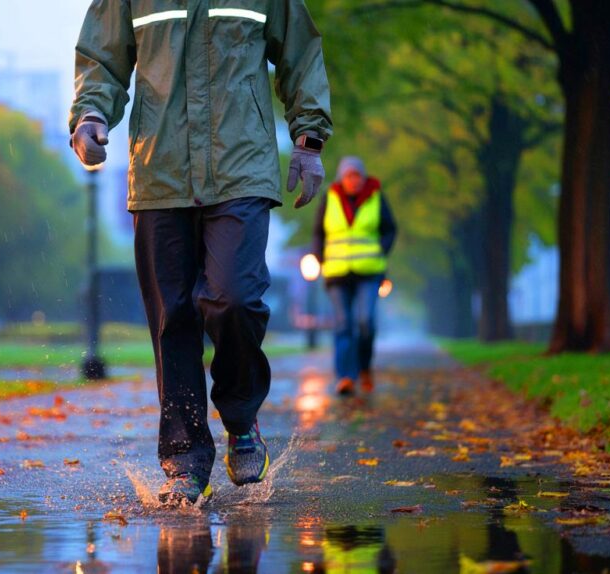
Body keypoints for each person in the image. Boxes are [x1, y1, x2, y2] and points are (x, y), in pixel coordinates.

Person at [69, 0, 333, 506]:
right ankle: (185, 462)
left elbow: (300, 52)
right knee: (173, 320)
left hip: (242, 168)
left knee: (234, 298)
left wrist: (308, 136)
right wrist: (90, 114)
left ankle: (241, 418)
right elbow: (101, 58)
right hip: (159, 170)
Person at [309, 157, 397, 396]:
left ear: (363, 176)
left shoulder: (376, 196)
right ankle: (345, 376)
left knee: (365, 321)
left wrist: (381, 248)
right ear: (341, 178)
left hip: (369, 272)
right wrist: (318, 256)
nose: (354, 180)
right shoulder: (330, 197)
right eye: (349, 175)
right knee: (342, 324)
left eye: (357, 175)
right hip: (337, 273)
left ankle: (365, 367)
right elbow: (318, 232)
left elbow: (390, 228)